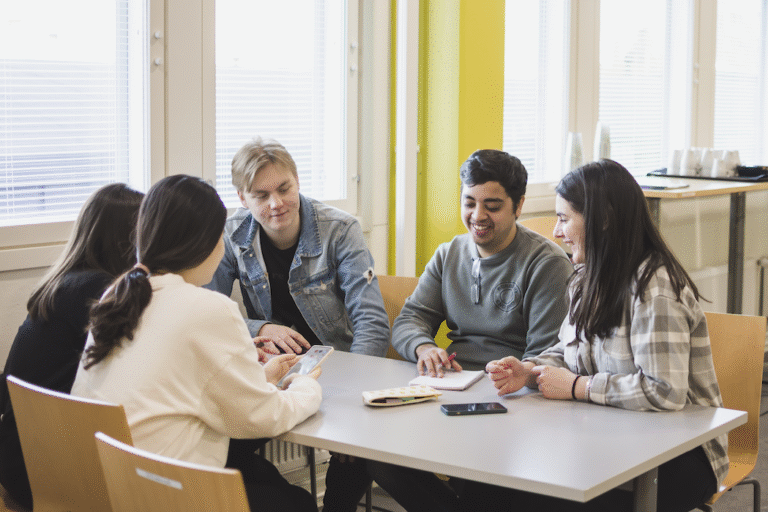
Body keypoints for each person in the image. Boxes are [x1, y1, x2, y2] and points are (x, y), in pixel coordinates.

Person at [466, 159, 727, 511]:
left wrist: (577, 387)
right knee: (487, 488)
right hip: (608, 435)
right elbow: (569, 350)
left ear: (602, 219)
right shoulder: (585, 277)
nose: (556, 232)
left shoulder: (655, 288)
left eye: (563, 218)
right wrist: (530, 370)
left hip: (680, 455)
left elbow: (664, 391)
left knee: (535, 498)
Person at [71, 175, 323, 512]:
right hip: (168, 493)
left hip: (111, 488)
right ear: (207, 242)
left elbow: (177, 390)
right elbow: (264, 417)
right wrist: (305, 385)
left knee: (261, 475)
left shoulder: (118, 295)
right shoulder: (206, 308)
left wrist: (261, 379)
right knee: (297, 504)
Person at [368, 149, 574, 512]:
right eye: (469, 202)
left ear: (518, 205)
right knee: (373, 450)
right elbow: (409, 320)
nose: (478, 216)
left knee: (484, 482)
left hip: (513, 401)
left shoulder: (547, 264)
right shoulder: (449, 254)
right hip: (453, 393)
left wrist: (518, 374)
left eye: (492, 206)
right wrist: (422, 348)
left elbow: (547, 356)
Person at [205, 137, 391, 512]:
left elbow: (371, 322)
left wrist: (356, 399)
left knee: (354, 453)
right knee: (221, 440)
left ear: (298, 181)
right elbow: (207, 313)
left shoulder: (340, 229)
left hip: (339, 368)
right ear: (243, 198)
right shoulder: (232, 233)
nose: (276, 204)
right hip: (270, 370)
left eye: (284, 188)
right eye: (261, 195)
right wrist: (259, 328)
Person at [0, 183, 144, 508]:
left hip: (20, 457)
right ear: (130, 239)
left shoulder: (63, 283)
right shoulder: (99, 291)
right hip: (55, 469)